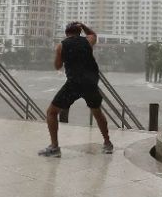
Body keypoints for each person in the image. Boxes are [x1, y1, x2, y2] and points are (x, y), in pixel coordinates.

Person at [39, 21, 113, 157]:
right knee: (97, 112)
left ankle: (54, 147)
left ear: (66, 33)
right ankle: (107, 143)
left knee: (51, 112)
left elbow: (57, 66)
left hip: (74, 84)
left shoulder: (62, 45)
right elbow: (93, 34)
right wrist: (83, 25)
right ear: (79, 32)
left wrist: (60, 55)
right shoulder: (87, 41)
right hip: (90, 83)